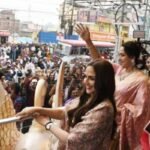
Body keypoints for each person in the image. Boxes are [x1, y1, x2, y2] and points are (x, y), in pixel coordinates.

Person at [75, 24, 150, 150]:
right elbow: (99, 60)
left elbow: (142, 111)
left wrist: (119, 110)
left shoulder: (142, 81)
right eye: (119, 55)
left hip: (118, 128)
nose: (118, 58)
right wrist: (88, 41)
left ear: (132, 58)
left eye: (122, 55)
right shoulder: (118, 70)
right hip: (102, 117)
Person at [17, 59, 117, 150]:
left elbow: (73, 140)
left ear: (104, 81)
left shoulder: (104, 109)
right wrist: (38, 110)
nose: (85, 81)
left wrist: (46, 123)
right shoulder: (88, 97)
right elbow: (65, 111)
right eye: (85, 76)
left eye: (91, 78)